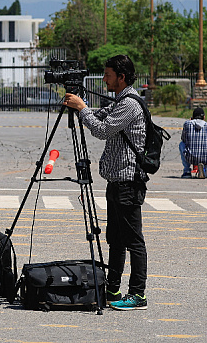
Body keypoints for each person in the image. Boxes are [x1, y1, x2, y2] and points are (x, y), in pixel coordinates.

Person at [63, 55, 148, 311]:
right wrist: (82, 106)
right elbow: (99, 117)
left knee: (133, 241)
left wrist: (82, 108)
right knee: (115, 239)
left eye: (108, 75)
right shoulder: (121, 101)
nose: (104, 79)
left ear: (121, 77)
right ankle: (112, 288)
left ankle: (138, 294)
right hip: (116, 182)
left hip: (128, 182)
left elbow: (101, 130)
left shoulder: (130, 104)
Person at [180, 107, 207, 179]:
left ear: (192, 117)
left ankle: (187, 171)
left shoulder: (187, 124)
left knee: (181, 144)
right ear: (204, 117)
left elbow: (183, 139)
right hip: (205, 157)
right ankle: (204, 172)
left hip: (190, 157)